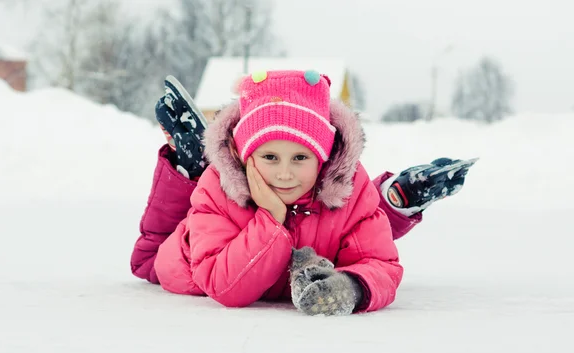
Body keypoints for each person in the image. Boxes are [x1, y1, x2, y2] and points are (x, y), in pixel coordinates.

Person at [131, 71, 475, 316]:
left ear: (324, 157)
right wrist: (270, 218)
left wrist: (352, 287)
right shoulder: (218, 191)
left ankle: (391, 201)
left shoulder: (347, 187)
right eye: (269, 157)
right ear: (243, 156)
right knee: (147, 260)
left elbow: (378, 262)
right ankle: (190, 168)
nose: (284, 173)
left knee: (345, 213)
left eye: (300, 157)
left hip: (327, 214)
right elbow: (225, 287)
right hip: (189, 257)